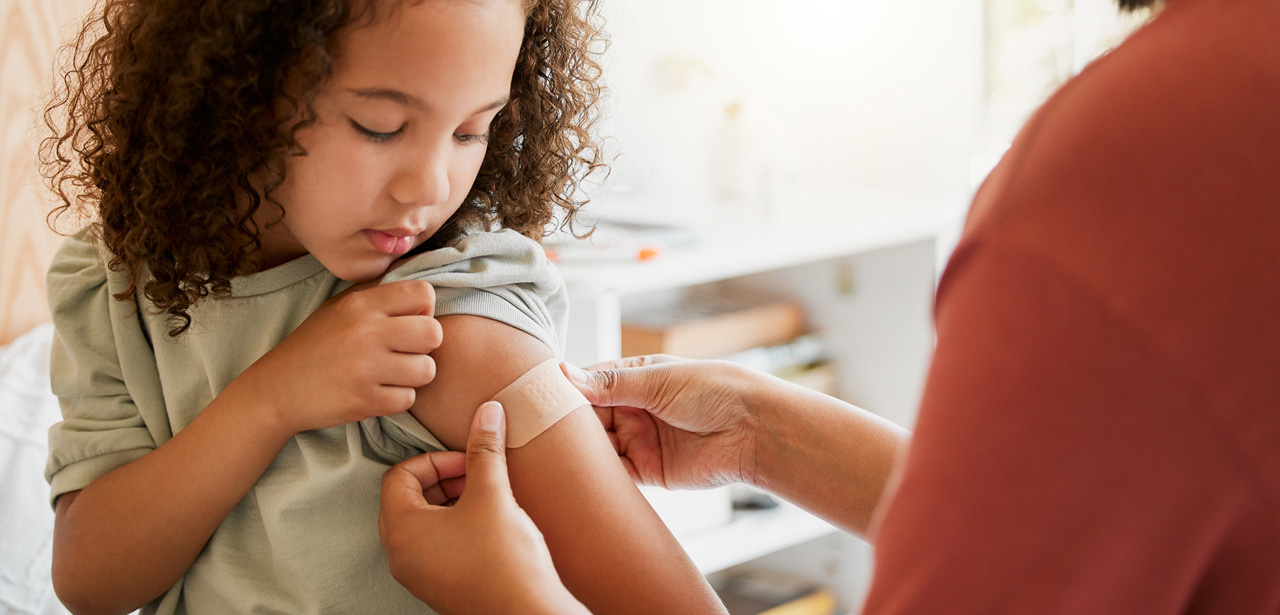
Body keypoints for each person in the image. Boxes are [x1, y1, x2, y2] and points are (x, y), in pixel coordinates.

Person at [378, 0, 1280, 610]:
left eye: (473, 129)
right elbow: (1094, 520)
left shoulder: (1139, 167)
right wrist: (757, 429)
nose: (428, 180)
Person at [39, 1, 725, 614]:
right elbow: (91, 583)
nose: (428, 188)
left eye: (471, 131)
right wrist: (271, 399)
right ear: (239, 89)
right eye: (380, 126)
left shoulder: (448, 316)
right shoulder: (117, 283)